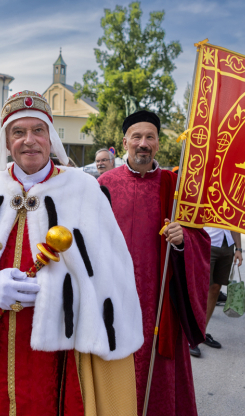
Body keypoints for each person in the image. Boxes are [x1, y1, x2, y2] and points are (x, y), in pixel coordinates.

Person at [0, 91, 142, 415]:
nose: (29, 141)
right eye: (18, 132)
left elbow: (110, 278)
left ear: (51, 137)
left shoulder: (84, 190)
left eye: (38, 130)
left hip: (60, 355)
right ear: (6, 140)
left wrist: (55, 293)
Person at [98, 110, 210, 416]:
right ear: (125, 142)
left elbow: (201, 240)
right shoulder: (104, 184)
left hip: (159, 301)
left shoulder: (174, 186)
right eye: (137, 137)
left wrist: (183, 237)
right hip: (114, 297)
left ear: (159, 143)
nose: (143, 143)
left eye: (150, 137)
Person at [190, 228, 242, 357]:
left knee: (215, 288)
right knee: (200, 289)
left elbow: (236, 221)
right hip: (206, 242)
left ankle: (202, 332)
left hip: (227, 245)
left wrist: (239, 248)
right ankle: (191, 337)